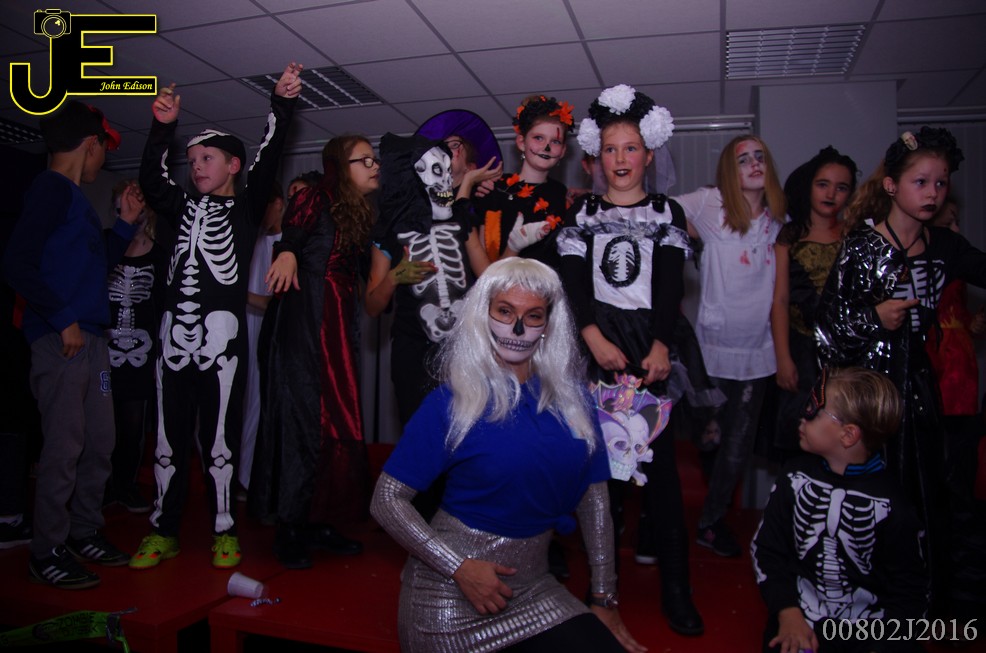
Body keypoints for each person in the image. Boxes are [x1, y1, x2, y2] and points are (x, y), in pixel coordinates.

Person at [370, 257, 645, 653]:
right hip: (449, 597)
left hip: (536, 589)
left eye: (533, 316)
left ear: (548, 325)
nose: (518, 328)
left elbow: (594, 497)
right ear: (483, 316)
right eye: (504, 311)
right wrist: (458, 567)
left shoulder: (575, 401)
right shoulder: (452, 402)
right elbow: (386, 499)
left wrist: (604, 598)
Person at [131, 62, 301, 570]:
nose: (197, 167)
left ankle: (224, 530)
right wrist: (161, 128)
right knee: (168, 440)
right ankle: (162, 530)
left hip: (221, 343)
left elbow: (269, 159)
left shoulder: (246, 210)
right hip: (171, 341)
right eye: (191, 160)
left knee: (220, 440)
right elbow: (151, 179)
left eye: (207, 158)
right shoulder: (179, 206)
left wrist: (281, 104)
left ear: (233, 165)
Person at [815, 126, 984, 619]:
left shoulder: (945, 246)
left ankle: (916, 609)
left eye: (941, 183)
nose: (933, 193)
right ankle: (856, 610)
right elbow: (825, 328)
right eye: (920, 182)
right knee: (868, 502)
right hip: (868, 397)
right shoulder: (861, 246)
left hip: (920, 391)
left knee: (925, 499)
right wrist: (874, 318)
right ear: (891, 186)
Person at [558, 84, 702, 636]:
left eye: (632, 148)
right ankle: (602, 590)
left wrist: (661, 344)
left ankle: (677, 591)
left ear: (649, 153)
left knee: (661, 479)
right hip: (597, 350)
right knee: (602, 482)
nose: (621, 159)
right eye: (611, 149)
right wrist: (592, 337)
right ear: (598, 157)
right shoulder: (583, 213)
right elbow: (573, 282)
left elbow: (670, 284)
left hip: (648, 351)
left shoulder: (668, 212)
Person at [3, 101, 137, 588]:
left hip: (93, 342)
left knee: (100, 441)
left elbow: (91, 270)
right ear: (90, 145)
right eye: (104, 148)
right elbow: (16, 263)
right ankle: (47, 551)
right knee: (64, 446)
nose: (104, 157)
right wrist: (63, 321)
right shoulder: (50, 189)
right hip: (64, 342)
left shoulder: (75, 200)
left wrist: (125, 225)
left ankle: (84, 531)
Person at [250, 135, 376, 569]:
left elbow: (365, 276)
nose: (374, 166)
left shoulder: (356, 214)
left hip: (338, 327)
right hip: (306, 324)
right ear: (340, 166)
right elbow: (294, 234)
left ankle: (320, 519)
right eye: (365, 160)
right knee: (302, 420)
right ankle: (290, 526)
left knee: (337, 422)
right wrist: (287, 252)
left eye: (374, 160)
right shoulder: (315, 198)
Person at [751, 367, 927, 653]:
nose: (802, 416)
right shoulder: (793, 478)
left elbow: (910, 589)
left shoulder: (892, 505)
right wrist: (787, 612)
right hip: (799, 623)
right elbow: (766, 550)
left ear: (848, 435)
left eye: (814, 411)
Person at [674, 135, 787, 557]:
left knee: (739, 446)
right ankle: (703, 503)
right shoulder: (711, 204)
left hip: (759, 353)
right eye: (743, 160)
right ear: (729, 170)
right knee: (708, 440)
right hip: (712, 351)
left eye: (760, 157)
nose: (754, 164)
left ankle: (711, 522)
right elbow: (659, 209)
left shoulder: (779, 220)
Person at [365, 133, 498, 426]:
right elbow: (372, 306)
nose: (445, 180)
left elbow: (491, 278)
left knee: (466, 429)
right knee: (418, 431)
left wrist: (514, 248)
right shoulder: (389, 231)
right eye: (437, 171)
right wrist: (394, 277)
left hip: (462, 349)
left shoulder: (461, 220)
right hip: (412, 351)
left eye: (447, 171)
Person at [771, 147, 858, 455]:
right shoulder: (789, 237)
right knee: (801, 428)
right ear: (808, 186)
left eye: (841, 187)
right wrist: (783, 358)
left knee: (845, 426)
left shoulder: (854, 235)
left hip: (847, 350)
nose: (831, 194)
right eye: (823, 184)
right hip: (802, 348)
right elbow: (780, 300)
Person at [104, 179, 170, 514]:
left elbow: (166, 306)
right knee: (102, 423)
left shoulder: (159, 256)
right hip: (103, 353)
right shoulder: (105, 246)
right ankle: (102, 486)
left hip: (141, 355)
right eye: (121, 210)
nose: (130, 216)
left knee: (132, 425)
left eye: (136, 210)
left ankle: (126, 485)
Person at [475, 94, 574, 268]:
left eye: (555, 141)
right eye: (538, 138)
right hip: (504, 279)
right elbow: (482, 261)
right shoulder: (495, 188)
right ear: (522, 142)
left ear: (563, 151)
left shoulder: (559, 192)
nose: (546, 147)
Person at [236, 182, 285, 498]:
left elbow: (274, 303)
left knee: (258, 403)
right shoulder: (250, 241)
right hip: (242, 331)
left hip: (269, 336)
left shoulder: (287, 246)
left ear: (278, 203)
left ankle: (248, 479)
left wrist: (236, 292)